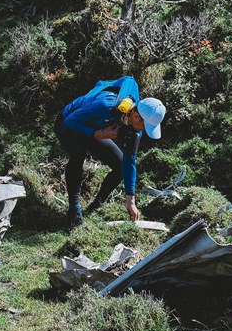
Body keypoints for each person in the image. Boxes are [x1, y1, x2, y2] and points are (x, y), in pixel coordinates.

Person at [54, 76, 166, 228]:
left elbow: (129, 161)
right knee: (78, 153)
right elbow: (70, 121)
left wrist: (130, 200)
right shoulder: (105, 105)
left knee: (120, 166)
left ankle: (96, 206)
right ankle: (74, 209)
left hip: (96, 128)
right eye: (146, 126)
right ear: (136, 116)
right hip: (69, 123)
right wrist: (97, 134)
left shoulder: (135, 127)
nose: (145, 131)